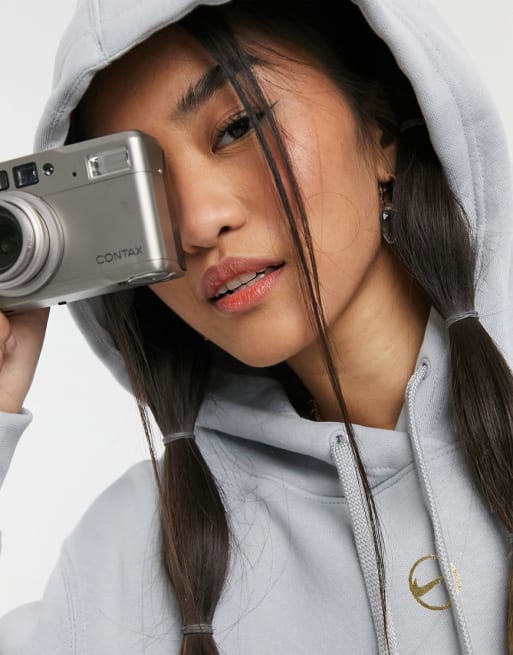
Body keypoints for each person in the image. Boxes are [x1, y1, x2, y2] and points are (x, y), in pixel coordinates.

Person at [0, 0, 511, 653]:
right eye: (139, 190)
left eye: (237, 127)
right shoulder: (128, 559)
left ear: (381, 126)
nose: (197, 222)